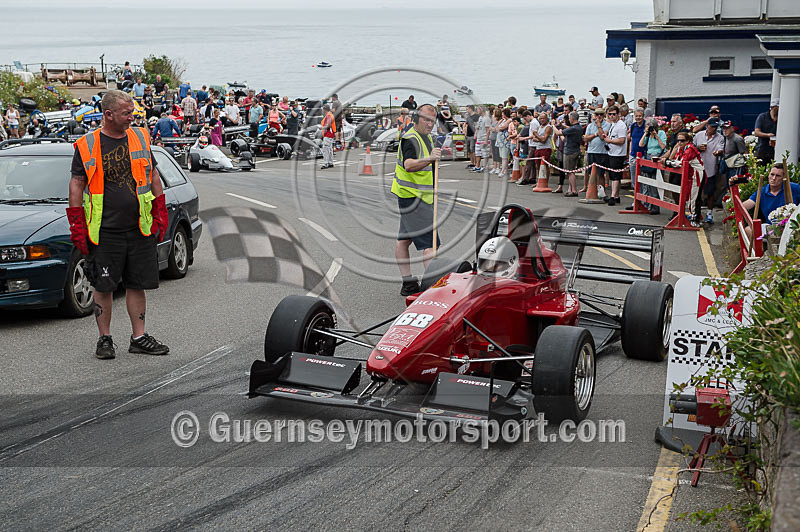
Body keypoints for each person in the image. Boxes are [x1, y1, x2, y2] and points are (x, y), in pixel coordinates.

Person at [66, 90, 169, 359]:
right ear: (108, 114)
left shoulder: (140, 137)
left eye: (132, 111)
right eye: (126, 112)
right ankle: (105, 339)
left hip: (139, 228)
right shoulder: (87, 145)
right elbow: (77, 183)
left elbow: (153, 173)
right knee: (104, 286)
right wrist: (76, 222)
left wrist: (160, 208)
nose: (132, 116)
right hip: (105, 231)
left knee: (137, 284)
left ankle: (139, 337)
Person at [392, 103, 442, 296]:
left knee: (404, 240)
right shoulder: (410, 139)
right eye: (426, 120)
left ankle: (408, 283)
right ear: (417, 119)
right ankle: (432, 287)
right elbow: (409, 165)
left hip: (412, 197)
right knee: (430, 244)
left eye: (433, 120)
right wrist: (430, 159)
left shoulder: (426, 137)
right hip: (415, 198)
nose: (430, 124)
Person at [667, 129, 703, 224]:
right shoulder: (680, 148)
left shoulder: (690, 149)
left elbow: (681, 162)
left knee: (693, 197)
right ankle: (689, 217)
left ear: (688, 141)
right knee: (688, 196)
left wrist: (667, 162)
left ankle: (694, 220)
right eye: (678, 140)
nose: (679, 142)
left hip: (696, 175)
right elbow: (676, 159)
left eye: (682, 140)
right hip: (689, 174)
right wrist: (669, 161)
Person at [693, 117, 725, 224]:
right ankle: (695, 212)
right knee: (696, 192)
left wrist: (718, 152)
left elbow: (721, 148)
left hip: (710, 169)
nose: (714, 129)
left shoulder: (720, 137)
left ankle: (709, 213)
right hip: (698, 168)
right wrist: (698, 148)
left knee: (710, 192)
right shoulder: (699, 135)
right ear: (707, 126)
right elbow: (691, 148)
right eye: (712, 127)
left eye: (716, 127)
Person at [636, 117, 668, 214]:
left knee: (656, 184)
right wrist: (646, 133)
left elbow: (664, 146)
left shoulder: (661, 133)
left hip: (658, 158)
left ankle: (655, 206)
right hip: (649, 158)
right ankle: (650, 205)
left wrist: (656, 136)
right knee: (648, 183)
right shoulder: (647, 135)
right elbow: (641, 145)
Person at [598, 105, 627, 205]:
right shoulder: (614, 124)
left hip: (618, 154)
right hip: (612, 152)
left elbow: (622, 140)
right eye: (609, 114)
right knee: (612, 175)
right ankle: (616, 196)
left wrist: (610, 140)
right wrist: (608, 138)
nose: (611, 116)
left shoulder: (621, 125)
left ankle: (613, 196)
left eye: (613, 114)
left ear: (618, 114)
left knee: (615, 176)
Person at [584, 108, 610, 189]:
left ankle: (601, 191)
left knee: (600, 174)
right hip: (591, 151)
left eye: (601, 114)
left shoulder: (607, 125)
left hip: (602, 152)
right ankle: (592, 190)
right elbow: (586, 138)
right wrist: (595, 134)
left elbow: (602, 136)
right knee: (591, 173)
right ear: (595, 115)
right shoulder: (590, 125)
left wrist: (599, 126)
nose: (599, 116)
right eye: (597, 114)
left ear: (604, 115)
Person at [558, 112, 583, 196]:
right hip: (575, 150)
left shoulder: (573, 129)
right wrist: (564, 126)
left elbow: (559, 133)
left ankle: (574, 190)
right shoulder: (578, 127)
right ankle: (570, 189)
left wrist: (554, 126)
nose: (569, 120)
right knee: (571, 171)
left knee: (570, 171)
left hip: (570, 151)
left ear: (572, 118)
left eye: (569, 118)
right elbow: (569, 129)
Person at [627, 108, 647, 206]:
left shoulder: (646, 126)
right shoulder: (633, 126)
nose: (638, 117)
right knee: (634, 179)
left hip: (642, 155)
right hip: (633, 155)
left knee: (642, 179)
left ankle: (643, 201)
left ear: (643, 116)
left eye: (640, 116)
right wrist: (630, 154)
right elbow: (631, 140)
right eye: (636, 116)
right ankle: (636, 200)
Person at [530, 112, 553, 188]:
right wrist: (538, 138)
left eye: (543, 118)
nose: (542, 120)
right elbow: (535, 139)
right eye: (541, 118)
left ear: (547, 119)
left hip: (545, 148)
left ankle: (545, 181)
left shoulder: (548, 127)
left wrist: (537, 136)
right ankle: (539, 181)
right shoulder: (540, 127)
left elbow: (544, 139)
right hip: (538, 148)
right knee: (538, 166)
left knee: (545, 166)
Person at [754, 99, 779, 163]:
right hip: (762, 149)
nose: (779, 109)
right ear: (772, 107)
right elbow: (756, 132)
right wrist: (767, 135)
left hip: (775, 150)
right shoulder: (762, 117)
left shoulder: (781, 118)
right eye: (777, 107)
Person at [473, 106, 490, 173]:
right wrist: (475, 134)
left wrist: (486, 140)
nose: (477, 111)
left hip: (484, 138)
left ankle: (485, 166)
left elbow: (488, 129)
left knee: (485, 154)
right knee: (478, 153)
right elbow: (477, 127)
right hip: (479, 138)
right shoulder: (480, 118)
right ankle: (477, 166)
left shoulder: (486, 118)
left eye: (478, 110)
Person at [320, 103, 336, 169]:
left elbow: (328, 125)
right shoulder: (330, 115)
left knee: (325, 148)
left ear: (325, 109)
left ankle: (326, 163)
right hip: (331, 134)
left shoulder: (328, 115)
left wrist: (322, 128)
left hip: (328, 134)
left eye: (323, 109)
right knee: (329, 148)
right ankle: (330, 162)